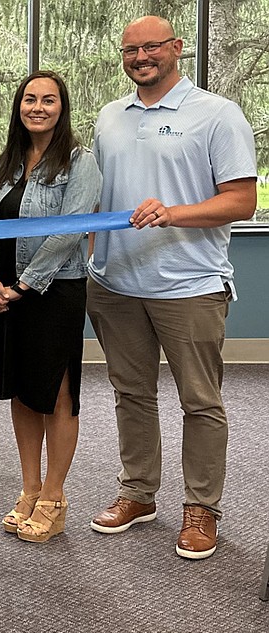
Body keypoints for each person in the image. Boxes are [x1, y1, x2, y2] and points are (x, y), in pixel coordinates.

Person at [87, 16, 257, 560]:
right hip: (115, 285)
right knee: (131, 395)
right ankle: (139, 493)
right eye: (130, 49)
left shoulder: (218, 114)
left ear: (176, 49)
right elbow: (96, 197)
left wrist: (174, 213)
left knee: (200, 402)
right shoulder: (110, 117)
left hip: (190, 285)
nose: (141, 56)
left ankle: (201, 507)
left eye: (152, 46)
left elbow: (241, 202)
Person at [0, 71, 102, 543]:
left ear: (61, 107)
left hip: (53, 294)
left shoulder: (79, 161)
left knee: (56, 395)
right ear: (19, 106)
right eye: (30, 99)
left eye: (49, 100)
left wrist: (25, 283)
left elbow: (71, 231)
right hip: (5, 296)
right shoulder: (6, 163)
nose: (38, 107)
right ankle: (28, 490)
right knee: (22, 392)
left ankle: (54, 497)